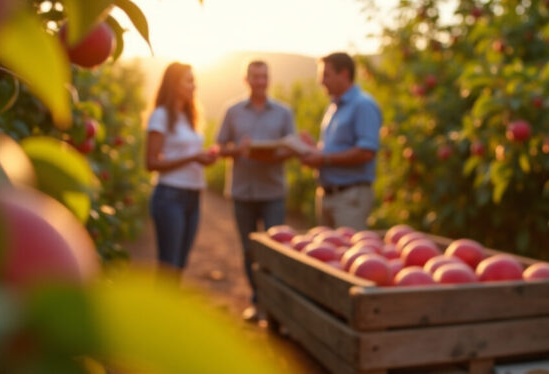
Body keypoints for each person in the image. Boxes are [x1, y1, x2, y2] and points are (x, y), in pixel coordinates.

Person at [216, 60, 295, 321]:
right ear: (246, 79)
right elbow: (220, 147)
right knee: (248, 250)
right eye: (255, 77)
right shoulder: (232, 111)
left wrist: (274, 154)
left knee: (275, 251)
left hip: (273, 192)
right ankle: (258, 301)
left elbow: (291, 148)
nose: (260, 81)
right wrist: (237, 150)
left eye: (264, 76)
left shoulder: (284, 112)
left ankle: (276, 308)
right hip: (243, 192)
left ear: (268, 79)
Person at [145, 62, 218, 271]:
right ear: (174, 84)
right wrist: (193, 157)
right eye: (189, 81)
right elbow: (151, 162)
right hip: (170, 196)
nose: (194, 86)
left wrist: (205, 157)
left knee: (180, 265)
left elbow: (188, 155)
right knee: (169, 267)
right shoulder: (160, 115)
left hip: (193, 195)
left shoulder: (189, 117)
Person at [300, 52, 382, 231]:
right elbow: (333, 149)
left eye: (326, 75)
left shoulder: (363, 105)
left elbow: (366, 152)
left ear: (344, 74)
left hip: (350, 197)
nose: (321, 81)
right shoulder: (333, 108)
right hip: (327, 195)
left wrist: (323, 159)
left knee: (348, 246)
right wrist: (313, 150)